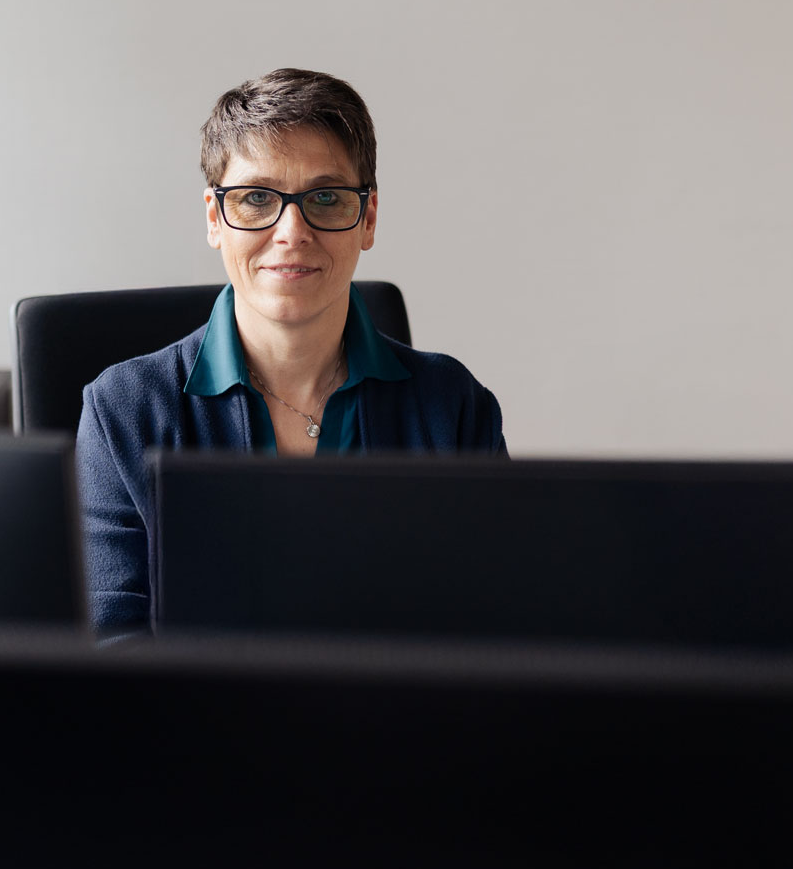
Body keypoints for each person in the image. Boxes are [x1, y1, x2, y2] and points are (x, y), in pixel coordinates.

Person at [76, 68, 507, 636]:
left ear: (368, 218)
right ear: (215, 218)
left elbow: (496, 629)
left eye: (325, 198)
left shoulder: (453, 406)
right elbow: (111, 644)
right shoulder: (124, 410)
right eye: (257, 198)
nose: (292, 230)